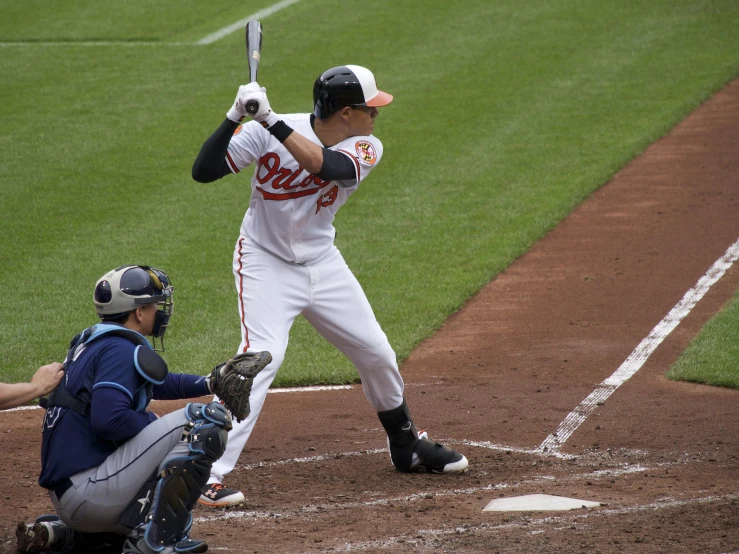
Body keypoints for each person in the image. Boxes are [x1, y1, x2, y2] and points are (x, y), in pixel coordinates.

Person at [191, 65, 469, 508]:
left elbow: (326, 166)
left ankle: (405, 445)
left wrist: (268, 120)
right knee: (260, 360)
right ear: (344, 112)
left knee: (375, 350)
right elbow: (203, 171)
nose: (376, 116)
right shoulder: (267, 132)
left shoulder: (365, 145)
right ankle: (205, 471)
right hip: (265, 264)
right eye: (369, 109)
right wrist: (233, 117)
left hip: (323, 263)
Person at [19, 265, 270, 554]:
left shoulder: (95, 343)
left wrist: (209, 383)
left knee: (168, 437)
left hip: (75, 498)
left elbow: (158, 384)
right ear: (139, 312)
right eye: (155, 304)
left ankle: (72, 535)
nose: (160, 311)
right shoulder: (118, 351)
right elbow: (108, 421)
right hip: (89, 496)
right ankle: (159, 541)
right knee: (202, 423)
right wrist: (154, 424)